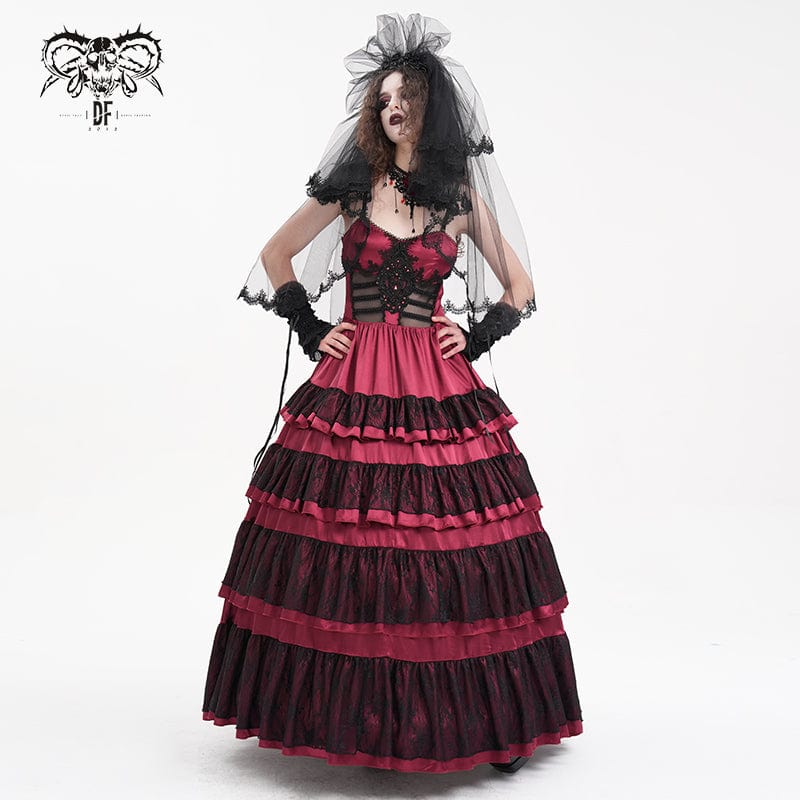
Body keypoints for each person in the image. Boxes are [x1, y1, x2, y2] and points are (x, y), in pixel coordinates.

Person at [202, 12, 583, 775]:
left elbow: (521, 285)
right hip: (354, 373)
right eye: (383, 99)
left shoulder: (457, 199)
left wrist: (474, 339)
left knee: (449, 536)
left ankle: (479, 717)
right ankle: (346, 720)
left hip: (436, 380)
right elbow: (276, 254)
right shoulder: (350, 192)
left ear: (431, 108)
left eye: (406, 97)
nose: (393, 108)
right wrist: (312, 328)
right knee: (346, 531)